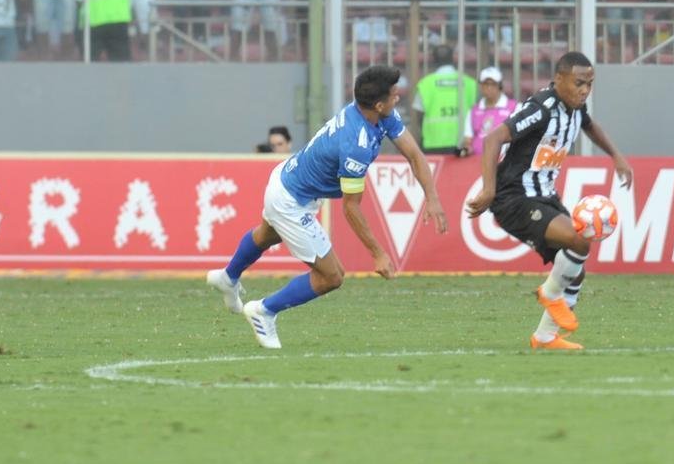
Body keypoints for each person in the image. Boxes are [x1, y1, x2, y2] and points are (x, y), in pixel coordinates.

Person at [207, 65, 449, 350]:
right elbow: (351, 208)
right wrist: (378, 253)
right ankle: (264, 310)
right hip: (290, 200)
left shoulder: (378, 114)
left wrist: (432, 198)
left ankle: (228, 277)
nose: (399, 98)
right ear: (379, 104)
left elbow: (414, 154)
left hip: (287, 178)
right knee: (331, 276)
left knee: (267, 234)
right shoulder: (355, 143)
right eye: (394, 95)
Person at [466, 51, 634, 350]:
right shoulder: (541, 108)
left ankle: (544, 337)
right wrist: (489, 190)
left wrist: (616, 155)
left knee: (575, 268)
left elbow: (589, 125)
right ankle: (550, 294)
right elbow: (493, 139)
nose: (585, 90)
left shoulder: (576, 108)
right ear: (559, 80)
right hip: (513, 197)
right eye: (579, 83)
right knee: (580, 240)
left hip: (544, 195)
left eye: (590, 84)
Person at [411, 45, 479, 154]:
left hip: (433, 141)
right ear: (453, 58)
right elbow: (477, 112)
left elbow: (419, 114)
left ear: (433, 60)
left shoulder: (425, 84)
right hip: (463, 142)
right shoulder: (470, 83)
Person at [461, 66, 517, 156]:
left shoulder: (514, 107)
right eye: (485, 84)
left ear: (500, 86)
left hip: (504, 162)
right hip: (476, 161)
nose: (489, 87)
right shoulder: (474, 110)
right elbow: (468, 139)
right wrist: (467, 149)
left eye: (493, 84)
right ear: (480, 86)